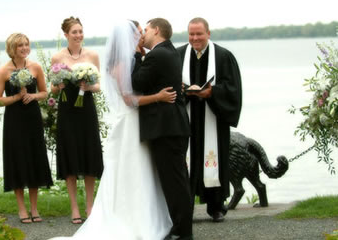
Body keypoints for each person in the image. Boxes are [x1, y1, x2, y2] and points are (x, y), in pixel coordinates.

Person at [49, 20, 178, 240]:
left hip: (139, 121)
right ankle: (130, 217)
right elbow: (128, 99)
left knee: (143, 170)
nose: (141, 36)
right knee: (130, 170)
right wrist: (158, 97)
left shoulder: (135, 59)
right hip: (129, 122)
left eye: (142, 32)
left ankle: (149, 214)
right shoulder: (120, 63)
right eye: (138, 33)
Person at [132, 18, 193, 240]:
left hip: (167, 127)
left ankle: (183, 232)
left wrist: (137, 56)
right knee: (177, 180)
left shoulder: (157, 54)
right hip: (173, 126)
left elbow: (137, 82)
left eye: (146, 30)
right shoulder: (170, 51)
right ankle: (180, 228)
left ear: (157, 30)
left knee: (174, 182)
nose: (143, 34)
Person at [177, 17, 242, 222]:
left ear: (208, 34)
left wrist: (212, 92)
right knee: (185, 161)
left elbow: (233, 89)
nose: (195, 38)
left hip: (213, 118)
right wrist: (182, 90)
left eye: (199, 34)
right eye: (191, 34)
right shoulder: (178, 55)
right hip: (186, 118)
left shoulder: (223, 57)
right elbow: (169, 86)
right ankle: (183, 207)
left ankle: (216, 207)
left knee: (213, 159)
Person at [0, 33, 53, 224]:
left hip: (33, 119)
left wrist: (33, 96)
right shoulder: (4, 71)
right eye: (20, 45)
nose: (25, 48)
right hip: (14, 120)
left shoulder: (35, 67)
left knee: (34, 159)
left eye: (26, 44)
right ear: (12, 48)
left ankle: (34, 208)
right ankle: (21, 209)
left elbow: (44, 92)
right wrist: (17, 98)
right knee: (17, 160)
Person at [51, 17, 103, 224]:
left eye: (80, 31)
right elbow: (53, 88)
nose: (78, 35)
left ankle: (90, 205)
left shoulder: (92, 55)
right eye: (74, 32)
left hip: (86, 109)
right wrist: (59, 86)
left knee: (89, 153)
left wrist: (88, 86)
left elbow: (98, 86)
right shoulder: (57, 57)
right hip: (67, 110)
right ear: (66, 34)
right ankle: (74, 207)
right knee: (70, 154)